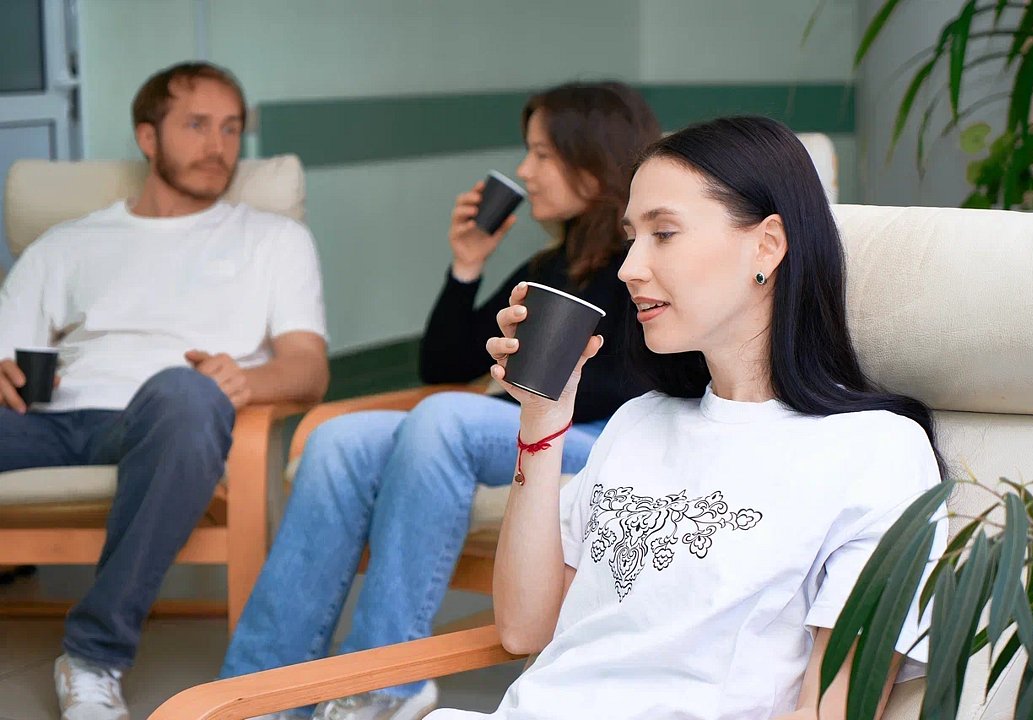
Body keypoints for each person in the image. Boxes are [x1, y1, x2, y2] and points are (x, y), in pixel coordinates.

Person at [428, 115, 950, 720]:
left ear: (767, 246)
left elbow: (834, 712)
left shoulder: (876, 451)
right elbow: (524, 628)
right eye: (632, 237)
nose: (629, 267)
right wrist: (542, 421)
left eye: (664, 233)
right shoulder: (639, 423)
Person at [220, 81, 660, 720]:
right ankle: (259, 691)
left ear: (593, 161)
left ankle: (385, 681)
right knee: (341, 440)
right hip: (518, 424)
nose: (524, 171)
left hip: (601, 441)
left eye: (541, 154)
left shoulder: (641, 265)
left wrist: (534, 387)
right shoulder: (552, 264)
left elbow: (647, 379)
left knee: (446, 418)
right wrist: (466, 266)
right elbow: (446, 364)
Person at [0, 62, 329, 720]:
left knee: (185, 394)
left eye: (231, 129)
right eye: (197, 126)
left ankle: (92, 657)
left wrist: (246, 380)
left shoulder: (275, 240)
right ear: (147, 137)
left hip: (169, 419)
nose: (218, 145)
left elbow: (308, 367)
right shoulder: (67, 244)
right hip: (48, 420)